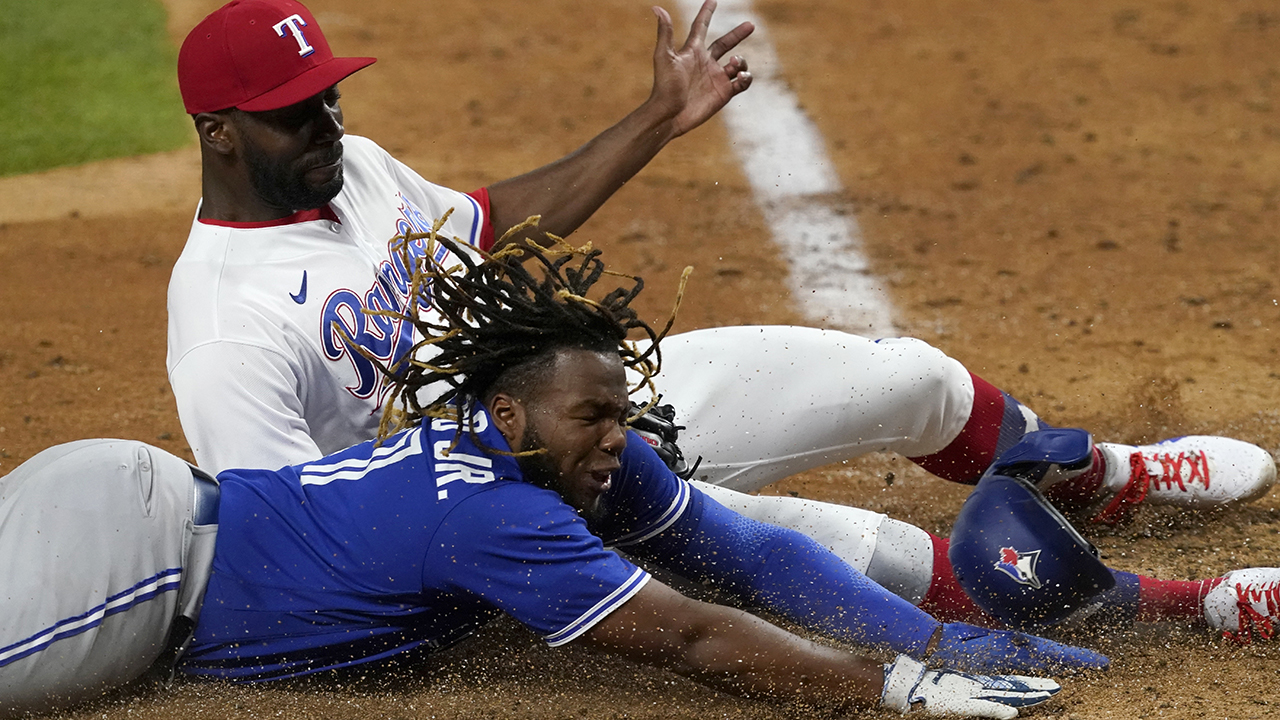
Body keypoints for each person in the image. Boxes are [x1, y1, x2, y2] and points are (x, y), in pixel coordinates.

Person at [165, 0, 1276, 620]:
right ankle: (1187, 607)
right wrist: (511, 549)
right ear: (217, 132)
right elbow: (291, 551)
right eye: (289, 116)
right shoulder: (227, 326)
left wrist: (657, 116)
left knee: (909, 378)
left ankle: (1104, 477)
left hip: (589, 420)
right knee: (858, 552)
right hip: (525, 523)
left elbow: (492, 219)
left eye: (326, 98)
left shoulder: (351, 168)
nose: (324, 125)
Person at [5, 241, 1105, 719]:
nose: (616, 438)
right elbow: (691, 636)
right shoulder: (490, 515)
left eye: (620, 414)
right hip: (128, 569)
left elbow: (747, 557)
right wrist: (889, 690)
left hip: (124, 502)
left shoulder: (562, 461)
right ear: (508, 415)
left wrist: (941, 641)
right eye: (594, 416)